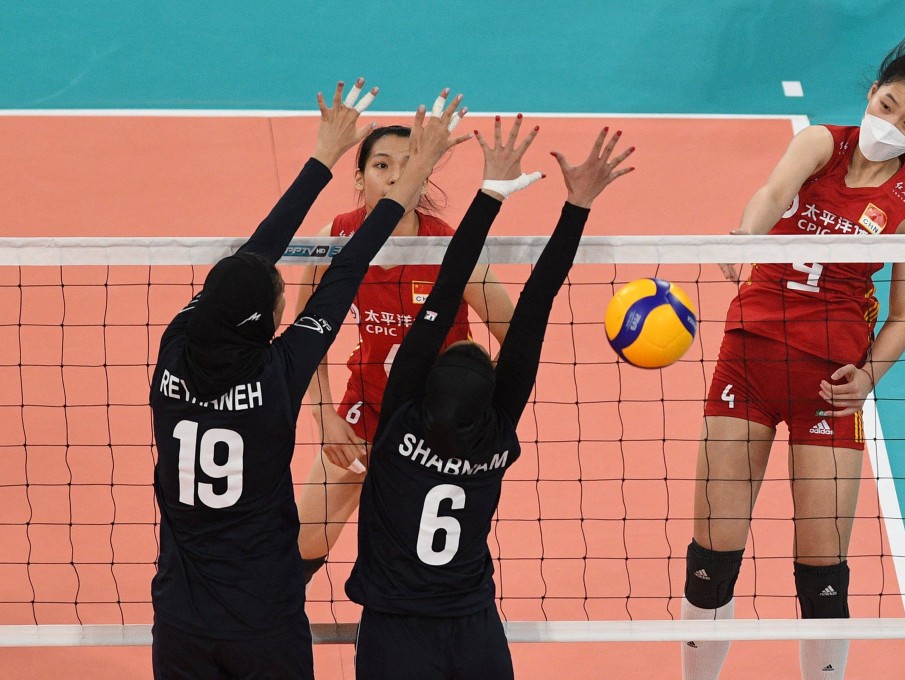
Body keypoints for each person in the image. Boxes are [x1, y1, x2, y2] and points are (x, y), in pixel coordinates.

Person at [148, 80, 471, 680]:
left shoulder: (175, 351)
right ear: (275, 320)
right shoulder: (282, 374)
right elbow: (349, 265)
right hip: (263, 616)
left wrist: (324, 156)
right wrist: (402, 168)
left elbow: (257, 254)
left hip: (182, 615)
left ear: (204, 305)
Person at [681, 38, 905, 680]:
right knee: (712, 556)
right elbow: (770, 192)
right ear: (871, 92)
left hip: (828, 386)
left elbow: (902, 318)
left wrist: (869, 378)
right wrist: (741, 238)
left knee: (822, 577)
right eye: (887, 105)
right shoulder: (821, 143)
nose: (889, 124)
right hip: (748, 357)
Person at [345, 117, 634, 680]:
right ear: (491, 403)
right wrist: (578, 204)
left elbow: (454, 283)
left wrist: (493, 192)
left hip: (394, 627)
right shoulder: (496, 438)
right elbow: (536, 306)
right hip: (473, 629)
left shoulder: (397, 427)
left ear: (421, 388)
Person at [295, 108, 516, 584]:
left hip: (436, 433)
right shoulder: (334, 241)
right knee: (296, 546)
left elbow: (516, 334)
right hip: (364, 417)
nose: (395, 175)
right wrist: (325, 416)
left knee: (420, 565)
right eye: (381, 165)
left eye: (407, 162)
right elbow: (304, 340)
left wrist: (477, 410)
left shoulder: (447, 248)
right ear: (360, 177)